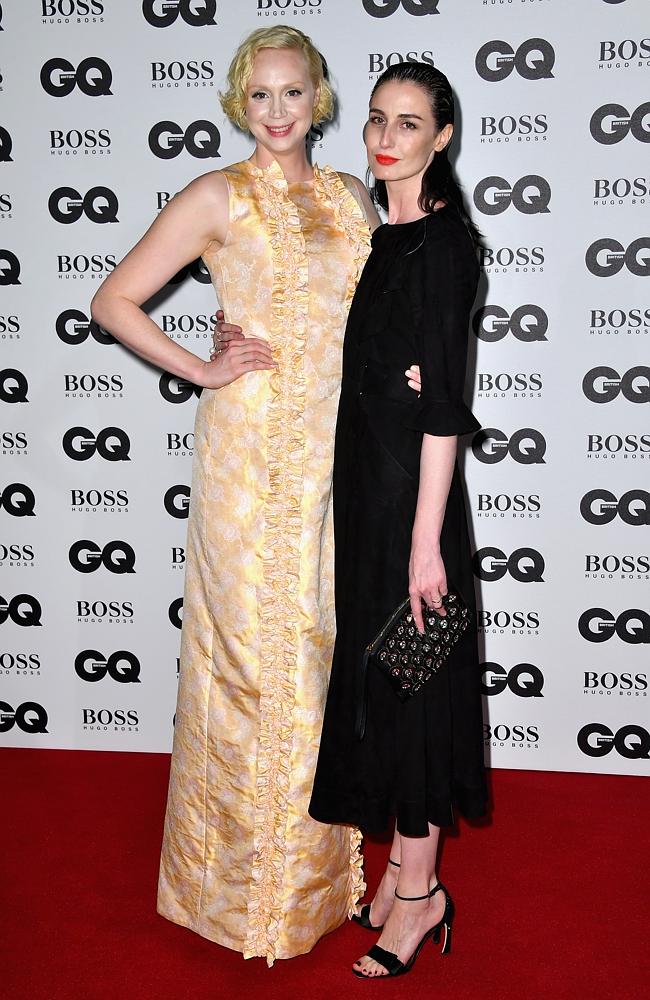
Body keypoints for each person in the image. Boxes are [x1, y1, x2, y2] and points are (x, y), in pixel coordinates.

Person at [90, 26, 385, 965]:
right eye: (259, 95)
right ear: (237, 101)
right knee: (251, 666)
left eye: (293, 93)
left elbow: (381, 313)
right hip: (250, 461)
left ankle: (310, 885)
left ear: (320, 98)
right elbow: (115, 300)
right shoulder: (217, 195)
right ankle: (237, 898)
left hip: (340, 460)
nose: (277, 112)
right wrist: (203, 368)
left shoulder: (348, 198)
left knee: (322, 656)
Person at [307, 62, 489, 979]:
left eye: (409, 124)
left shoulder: (447, 245)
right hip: (369, 506)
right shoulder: (384, 240)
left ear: (441, 139)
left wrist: (426, 546)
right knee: (385, 688)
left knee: (414, 694)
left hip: (413, 520)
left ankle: (420, 899)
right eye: (377, 119)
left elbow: (446, 409)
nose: (386, 137)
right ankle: (398, 875)